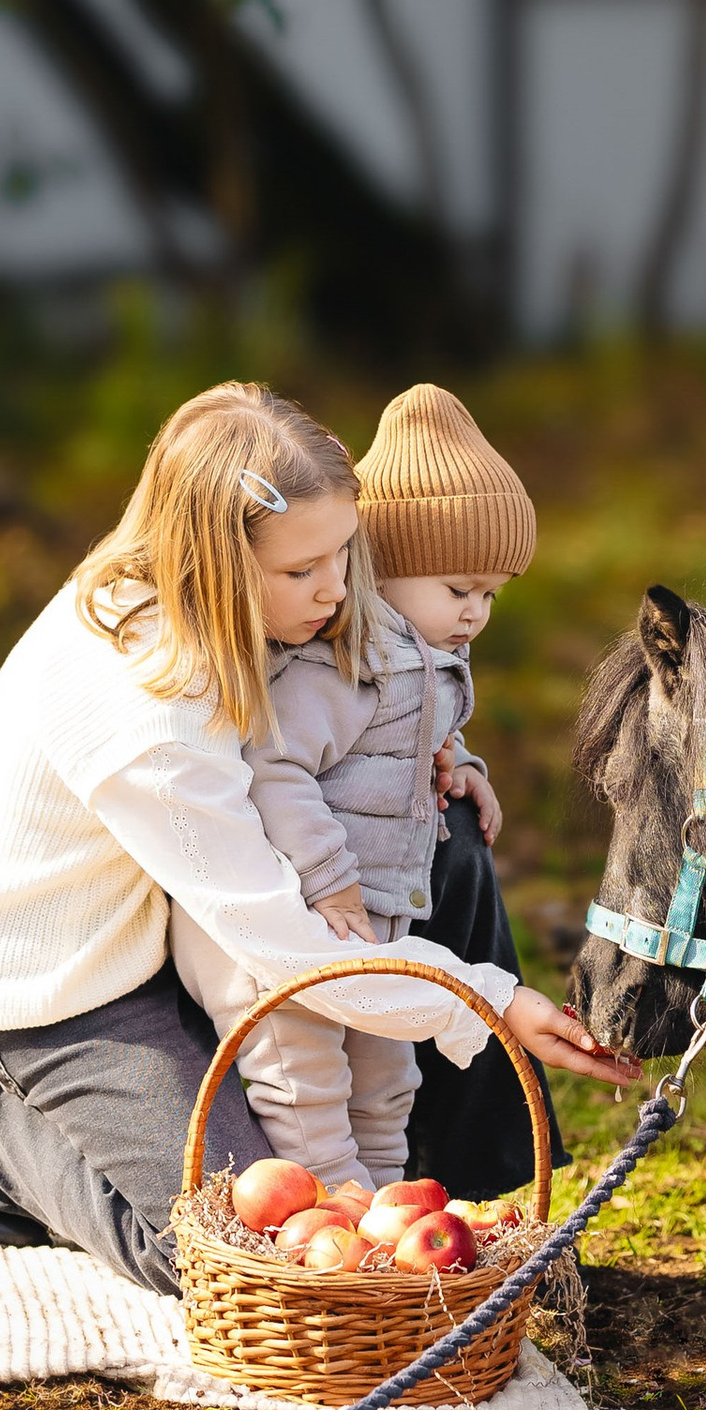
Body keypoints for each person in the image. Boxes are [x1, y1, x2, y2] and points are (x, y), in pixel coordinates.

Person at [0, 380, 638, 1291]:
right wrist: (492, 1001)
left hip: (180, 925)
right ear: (209, 558)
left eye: (344, 556)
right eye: (301, 571)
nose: (335, 589)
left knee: (447, 844)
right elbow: (286, 945)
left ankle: (481, 1209)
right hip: (67, 997)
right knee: (237, 1251)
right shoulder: (148, 717)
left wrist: (428, 761)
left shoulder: (246, 611)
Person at [170, 382, 537, 1195]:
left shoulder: (428, 655)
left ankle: (385, 1216)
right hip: (306, 908)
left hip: (379, 912)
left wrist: (460, 763)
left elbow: (416, 738)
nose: (475, 613)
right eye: (458, 590)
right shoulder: (344, 663)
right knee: (310, 1079)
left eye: (490, 595)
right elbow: (276, 765)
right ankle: (337, 1214)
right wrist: (330, 873)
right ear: (393, 566)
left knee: (386, 1079)